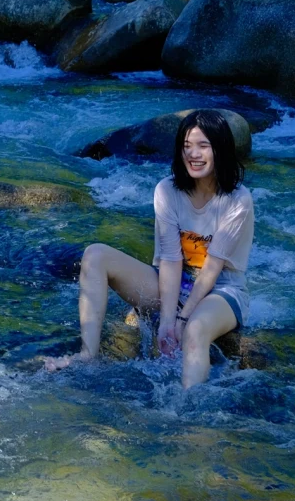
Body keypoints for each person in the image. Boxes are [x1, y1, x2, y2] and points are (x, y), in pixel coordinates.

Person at [44, 110, 254, 388]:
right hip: (170, 281)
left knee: (195, 329)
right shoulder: (167, 190)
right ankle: (87, 355)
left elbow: (212, 268)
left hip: (221, 289)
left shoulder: (238, 199)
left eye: (203, 146)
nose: (194, 154)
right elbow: (169, 258)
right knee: (95, 254)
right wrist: (167, 320)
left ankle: (188, 410)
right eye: (187, 146)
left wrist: (181, 318)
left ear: (220, 149)